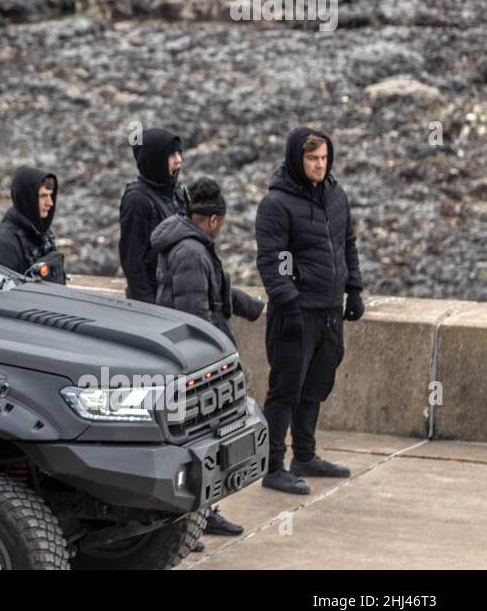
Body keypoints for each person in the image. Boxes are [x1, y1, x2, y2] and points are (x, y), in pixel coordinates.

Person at [151, 176, 265, 537]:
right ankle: (194, 520)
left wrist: (255, 308)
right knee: (199, 443)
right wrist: (212, 365)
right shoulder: (192, 251)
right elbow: (194, 316)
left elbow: (219, 294)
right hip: (195, 369)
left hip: (190, 366)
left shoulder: (193, 246)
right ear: (213, 220)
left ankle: (199, 515)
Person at [256, 128, 365, 495]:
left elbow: (347, 243)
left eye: (324, 158)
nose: (320, 165)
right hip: (297, 312)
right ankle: (273, 467)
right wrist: (289, 303)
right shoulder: (277, 204)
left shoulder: (336, 195)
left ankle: (304, 456)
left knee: (317, 385)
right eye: (312, 159)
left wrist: (355, 289)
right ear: (296, 160)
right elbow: (273, 260)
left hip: (331, 309)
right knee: (286, 388)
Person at [119, 127, 190, 302]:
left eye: (179, 153)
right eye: (172, 155)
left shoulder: (177, 193)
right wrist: (149, 309)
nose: (179, 160)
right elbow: (132, 263)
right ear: (155, 159)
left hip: (178, 296)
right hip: (156, 302)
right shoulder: (137, 201)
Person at [0, 167, 65, 284]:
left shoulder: (42, 234)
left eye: (50, 195)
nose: (50, 203)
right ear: (27, 198)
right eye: (43, 196)